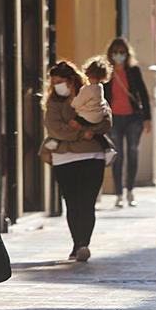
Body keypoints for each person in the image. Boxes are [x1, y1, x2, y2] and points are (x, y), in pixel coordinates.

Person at [42, 60, 113, 261]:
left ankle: (83, 244)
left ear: (72, 80)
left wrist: (84, 129)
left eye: (61, 81)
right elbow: (54, 128)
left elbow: (106, 120)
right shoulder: (53, 103)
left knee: (87, 202)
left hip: (92, 156)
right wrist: (84, 133)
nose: (57, 85)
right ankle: (77, 242)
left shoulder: (91, 94)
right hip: (64, 159)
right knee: (72, 203)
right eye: (54, 82)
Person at [104, 37, 152, 208]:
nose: (118, 55)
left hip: (133, 118)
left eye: (122, 52)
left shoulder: (133, 71)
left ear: (127, 54)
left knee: (133, 152)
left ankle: (130, 190)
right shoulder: (107, 73)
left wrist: (148, 118)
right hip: (114, 119)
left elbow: (143, 94)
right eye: (115, 52)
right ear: (110, 54)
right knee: (118, 155)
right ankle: (118, 193)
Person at [76, 57, 117, 152]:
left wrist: (74, 106)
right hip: (98, 116)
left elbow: (78, 102)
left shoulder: (87, 89)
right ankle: (108, 148)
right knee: (99, 136)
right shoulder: (100, 87)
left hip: (88, 116)